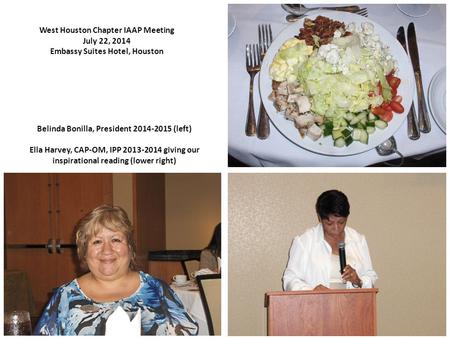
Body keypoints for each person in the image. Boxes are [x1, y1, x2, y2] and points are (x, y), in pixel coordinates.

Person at [34, 205, 198, 335]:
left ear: (130, 248)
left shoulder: (158, 289)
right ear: (84, 251)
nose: (107, 250)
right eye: (97, 242)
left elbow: (187, 331)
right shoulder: (65, 296)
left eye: (115, 240)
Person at [283, 190, 377, 291]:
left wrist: (358, 281)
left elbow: (370, 277)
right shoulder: (304, 242)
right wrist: (312, 291)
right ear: (320, 218)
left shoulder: (358, 240)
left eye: (341, 222)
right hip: (316, 305)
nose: (336, 228)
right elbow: (289, 280)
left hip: (352, 304)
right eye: (330, 223)